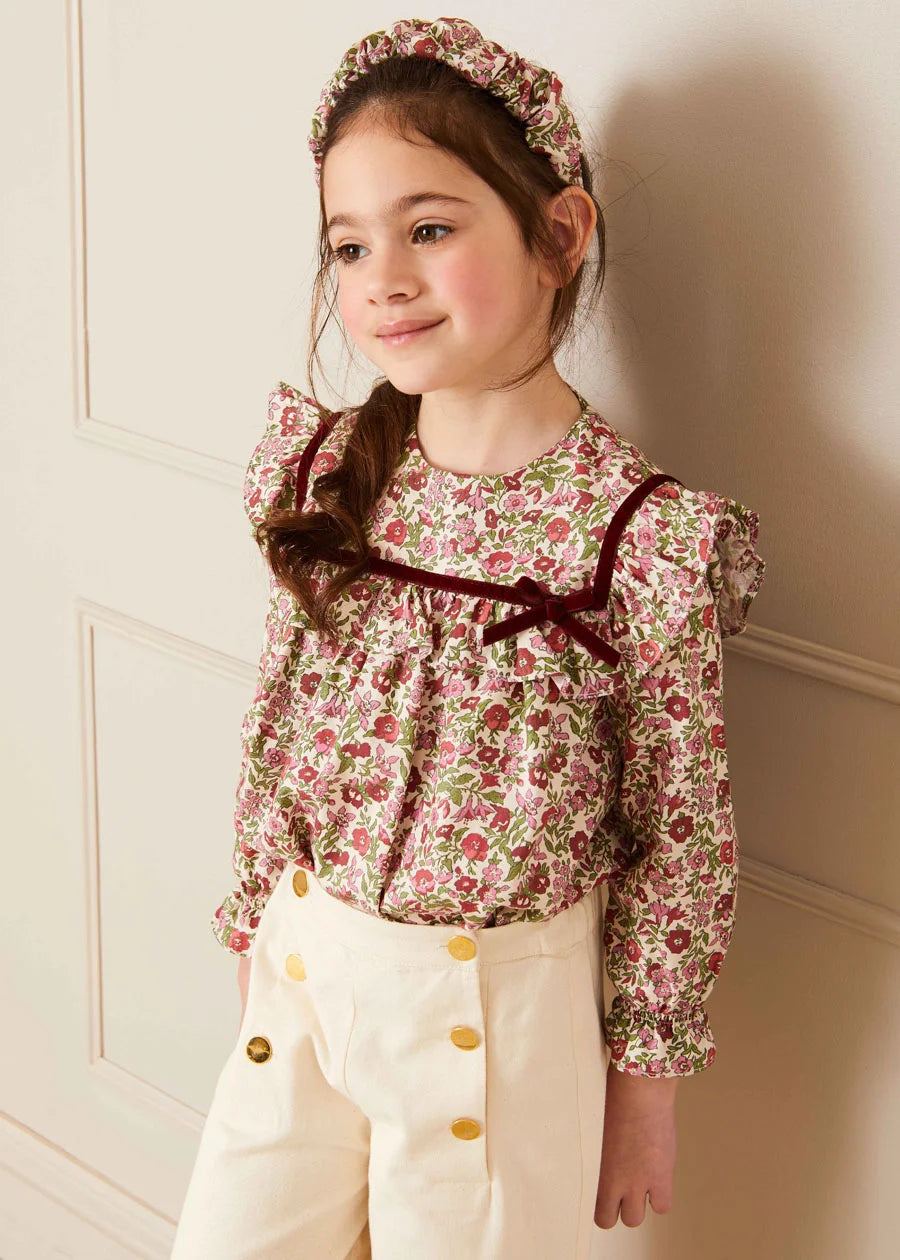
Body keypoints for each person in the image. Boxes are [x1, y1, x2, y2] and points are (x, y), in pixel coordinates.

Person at [170, 15, 767, 1260]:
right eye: (349, 245)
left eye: (430, 229)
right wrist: (256, 926)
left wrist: (645, 1083)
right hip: (306, 975)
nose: (383, 277)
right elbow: (282, 726)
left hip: (498, 1027)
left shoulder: (638, 540)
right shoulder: (332, 475)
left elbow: (681, 834)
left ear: (559, 235)